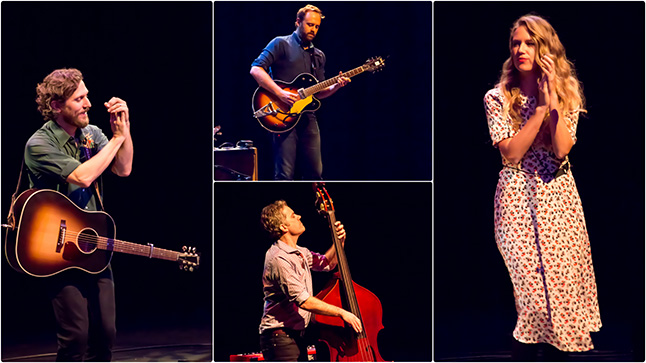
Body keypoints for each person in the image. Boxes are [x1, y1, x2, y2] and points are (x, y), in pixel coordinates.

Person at [483, 15, 602, 359]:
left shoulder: (567, 92)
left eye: (530, 43)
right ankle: (532, 351)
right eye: (516, 43)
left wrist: (552, 105)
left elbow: (563, 148)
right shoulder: (497, 97)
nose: (521, 49)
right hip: (517, 194)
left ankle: (561, 353)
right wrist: (538, 112)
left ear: (546, 49)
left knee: (564, 280)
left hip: (558, 193)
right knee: (530, 285)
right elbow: (511, 154)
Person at [25, 68, 133, 361]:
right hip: (55, 249)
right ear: (57, 106)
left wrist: (123, 132)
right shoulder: (39, 144)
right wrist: (115, 141)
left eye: (87, 96)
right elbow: (82, 176)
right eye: (79, 99)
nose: (88, 104)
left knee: (106, 333)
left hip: (92, 242)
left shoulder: (92, 134)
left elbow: (123, 169)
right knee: (75, 337)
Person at [250, 4, 350, 180]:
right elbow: (256, 69)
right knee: (284, 174)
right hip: (281, 115)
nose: (313, 29)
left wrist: (335, 86)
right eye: (310, 24)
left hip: (307, 117)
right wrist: (280, 93)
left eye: (317, 26)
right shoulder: (281, 43)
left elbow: (318, 91)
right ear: (298, 22)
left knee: (316, 173)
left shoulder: (318, 55)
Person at [258, 200, 362, 361]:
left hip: (294, 335)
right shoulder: (279, 258)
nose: (299, 216)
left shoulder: (299, 252)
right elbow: (303, 301)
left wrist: (339, 241)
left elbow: (326, 263)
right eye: (293, 216)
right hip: (280, 338)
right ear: (284, 227)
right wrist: (342, 312)